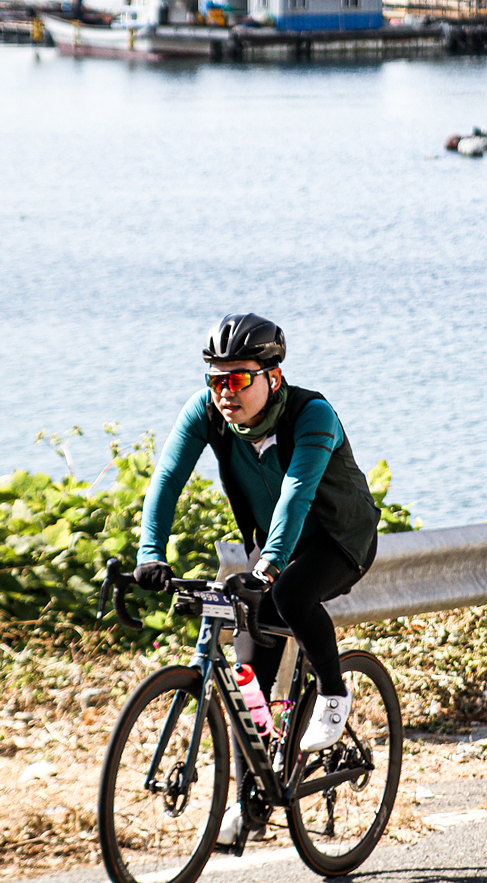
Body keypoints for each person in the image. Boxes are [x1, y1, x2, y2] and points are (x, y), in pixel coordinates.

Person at [134, 312, 380, 845]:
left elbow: (297, 494)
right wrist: (150, 553)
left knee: (291, 592)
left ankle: (333, 695)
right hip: (272, 546)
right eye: (216, 380)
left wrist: (265, 569)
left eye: (239, 379)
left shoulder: (312, 415)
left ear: (273, 375)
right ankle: (253, 804)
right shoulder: (207, 412)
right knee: (249, 676)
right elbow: (168, 478)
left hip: (339, 541)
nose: (226, 392)